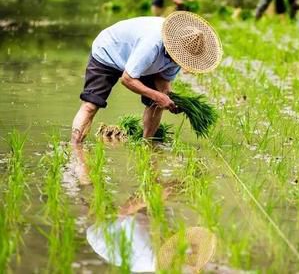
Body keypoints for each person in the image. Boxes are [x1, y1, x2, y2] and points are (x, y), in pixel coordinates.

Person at [70, 11, 223, 182]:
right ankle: (75, 152)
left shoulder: (179, 56)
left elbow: (163, 82)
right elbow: (127, 79)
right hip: (109, 52)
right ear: (172, 47)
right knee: (91, 105)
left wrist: (167, 99)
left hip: (143, 62)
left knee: (156, 104)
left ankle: (147, 147)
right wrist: (157, 95)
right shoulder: (152, 44)